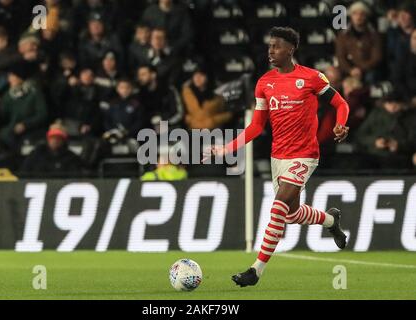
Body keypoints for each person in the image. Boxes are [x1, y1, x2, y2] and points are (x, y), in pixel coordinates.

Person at [205, 27, 350, 287]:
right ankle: (331, 220)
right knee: (291, 214)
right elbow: (256, 127)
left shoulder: (312, 78)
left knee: (278, 205)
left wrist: (340, 124)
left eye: (277, 46)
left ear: (291, 49)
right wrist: (227, 148)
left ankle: (256, 270)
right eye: (269, 46)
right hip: (278, 157)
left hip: (304, 155)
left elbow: (341, 104)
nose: (271, 51)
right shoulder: (264, 83)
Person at [335, 1, 382, 84]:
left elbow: (376, 58)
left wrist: (361, 69)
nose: (358, 17)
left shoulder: (374, 35)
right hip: (349, 70)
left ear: (366, 16)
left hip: (367, 70)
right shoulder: (343, 35)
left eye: (362, 14)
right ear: (351, 16)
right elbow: (340, 57)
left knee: (371, 77)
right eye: (355, 14)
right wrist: (350, 70)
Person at [137, 64, 183, 131]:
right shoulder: (140, 94)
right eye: (139, 75)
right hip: (150, 132)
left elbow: (179, 113)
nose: (140, 78)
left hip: (172, 127)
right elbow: (140, 117)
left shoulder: (168, 89)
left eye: (143, 74)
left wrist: (162, 121)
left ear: (153, 75)